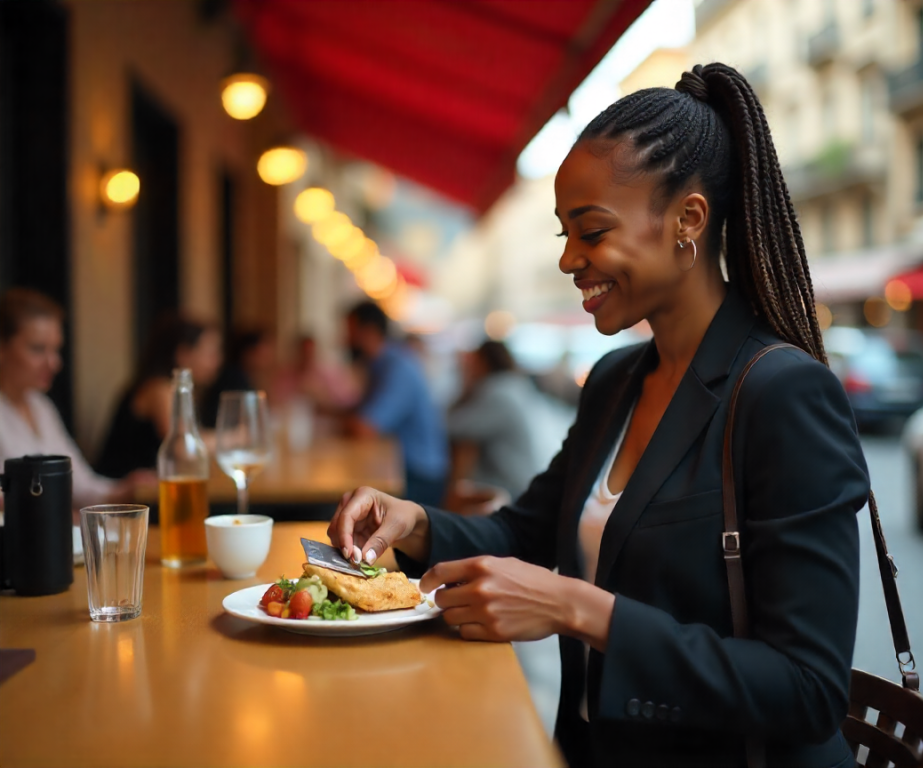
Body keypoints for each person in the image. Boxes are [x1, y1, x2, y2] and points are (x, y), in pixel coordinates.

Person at [327, 63, 870, 768]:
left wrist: (575, 608)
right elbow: (527, 530)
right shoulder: (617, 378)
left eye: (590, 230)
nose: (568, 260)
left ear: (688, 220)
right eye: (563, 234)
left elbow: (809, 689)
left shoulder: (782, 395)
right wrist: (416, 521)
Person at [0, 288, 148, 510]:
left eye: (56, 350)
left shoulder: (41, 406)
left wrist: (126, 487)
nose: (54, 363)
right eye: (38, 349)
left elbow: (80, 484)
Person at [342, 301, 448, 507]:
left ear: (369, 331)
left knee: (338, 504)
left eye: (350, 331)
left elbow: (364, 428)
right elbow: (359, 413)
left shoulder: (398, 367)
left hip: (418, 477)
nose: (344, 339)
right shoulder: (379, 364)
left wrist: (343, 420)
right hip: (400, 467)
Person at [96, 316, 221, 478]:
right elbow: (182, 446)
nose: (217, 361)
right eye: (210, 353)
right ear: (183, 354)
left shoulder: (180, 391)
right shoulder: (158, 388)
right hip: (128, 494)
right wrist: (234, 439)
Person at [448, 341, 548, 499]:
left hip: (507, 487)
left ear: (484, 362)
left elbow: (456, 427)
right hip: (518, 479)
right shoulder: (514, 385)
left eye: (472, 363)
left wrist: (466, 384)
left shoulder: (499, 393)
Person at [199, 327, 276, 428]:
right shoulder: (234, 380)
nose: (270, 355)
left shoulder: (244, 377)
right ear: (248, 353)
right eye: (264, 351)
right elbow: (250, 424)